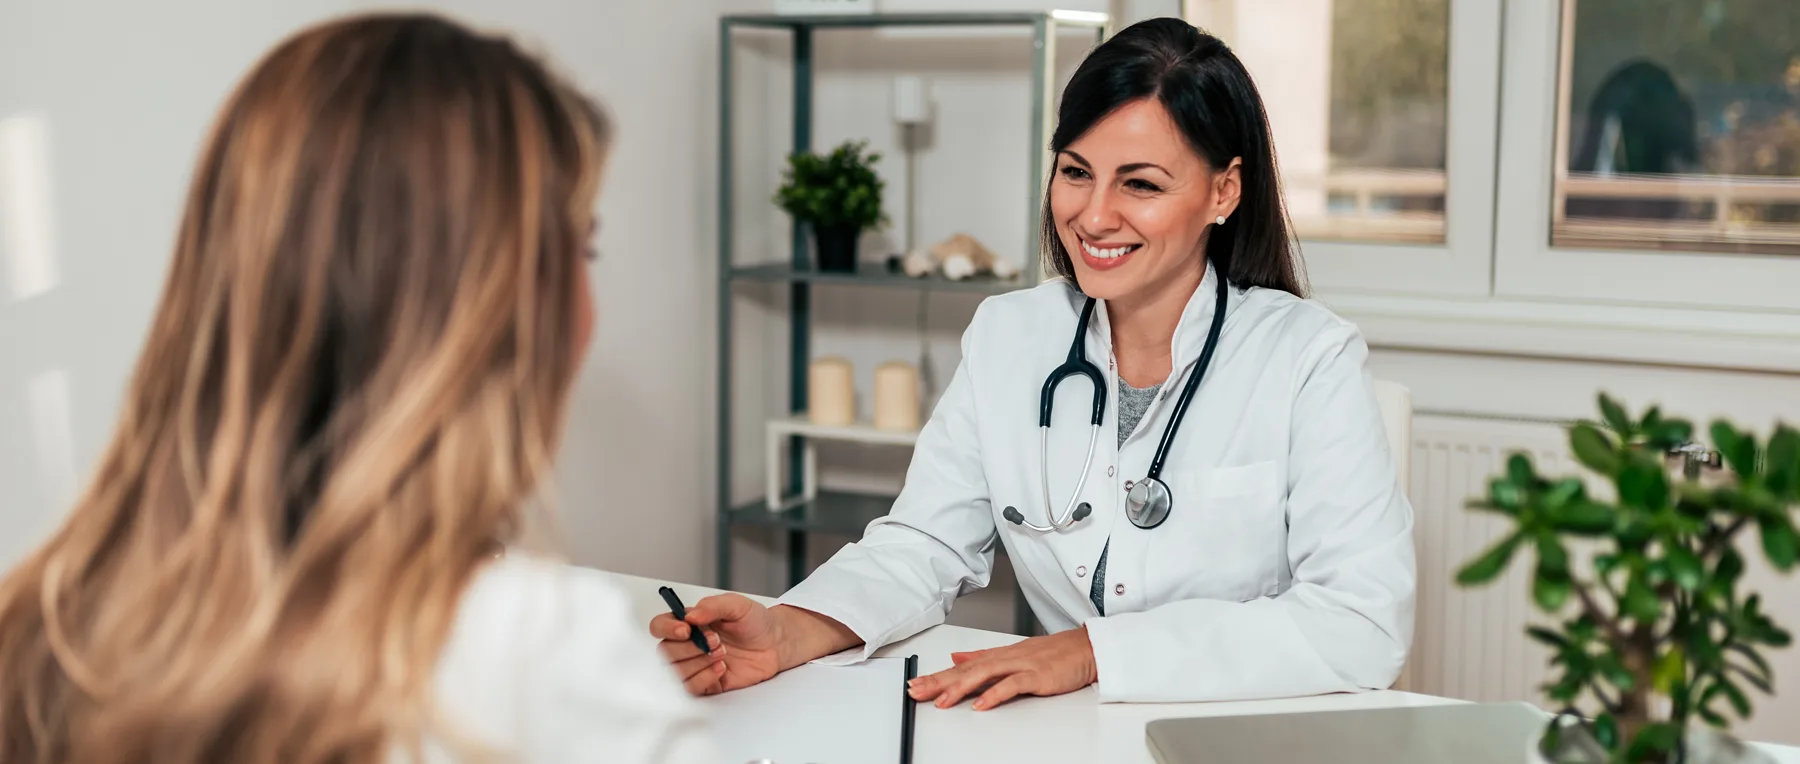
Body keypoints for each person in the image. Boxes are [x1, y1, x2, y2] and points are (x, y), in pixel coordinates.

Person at [0, 13, 712, 764]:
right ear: (494, 303)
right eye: (581, 248)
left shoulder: (51, 622)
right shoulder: (539, 650)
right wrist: (599, 700)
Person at [652, 17, 1415, 710]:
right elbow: (925, 544)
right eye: (1076, 171)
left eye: (1141, 184)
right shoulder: (1009, 336)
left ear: (1225, 190)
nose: (1093, 214)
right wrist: (787, 630)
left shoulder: (1308, 357)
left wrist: (1091, 652)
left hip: (1242, 736)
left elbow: (1361, 621)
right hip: (1071, 735)